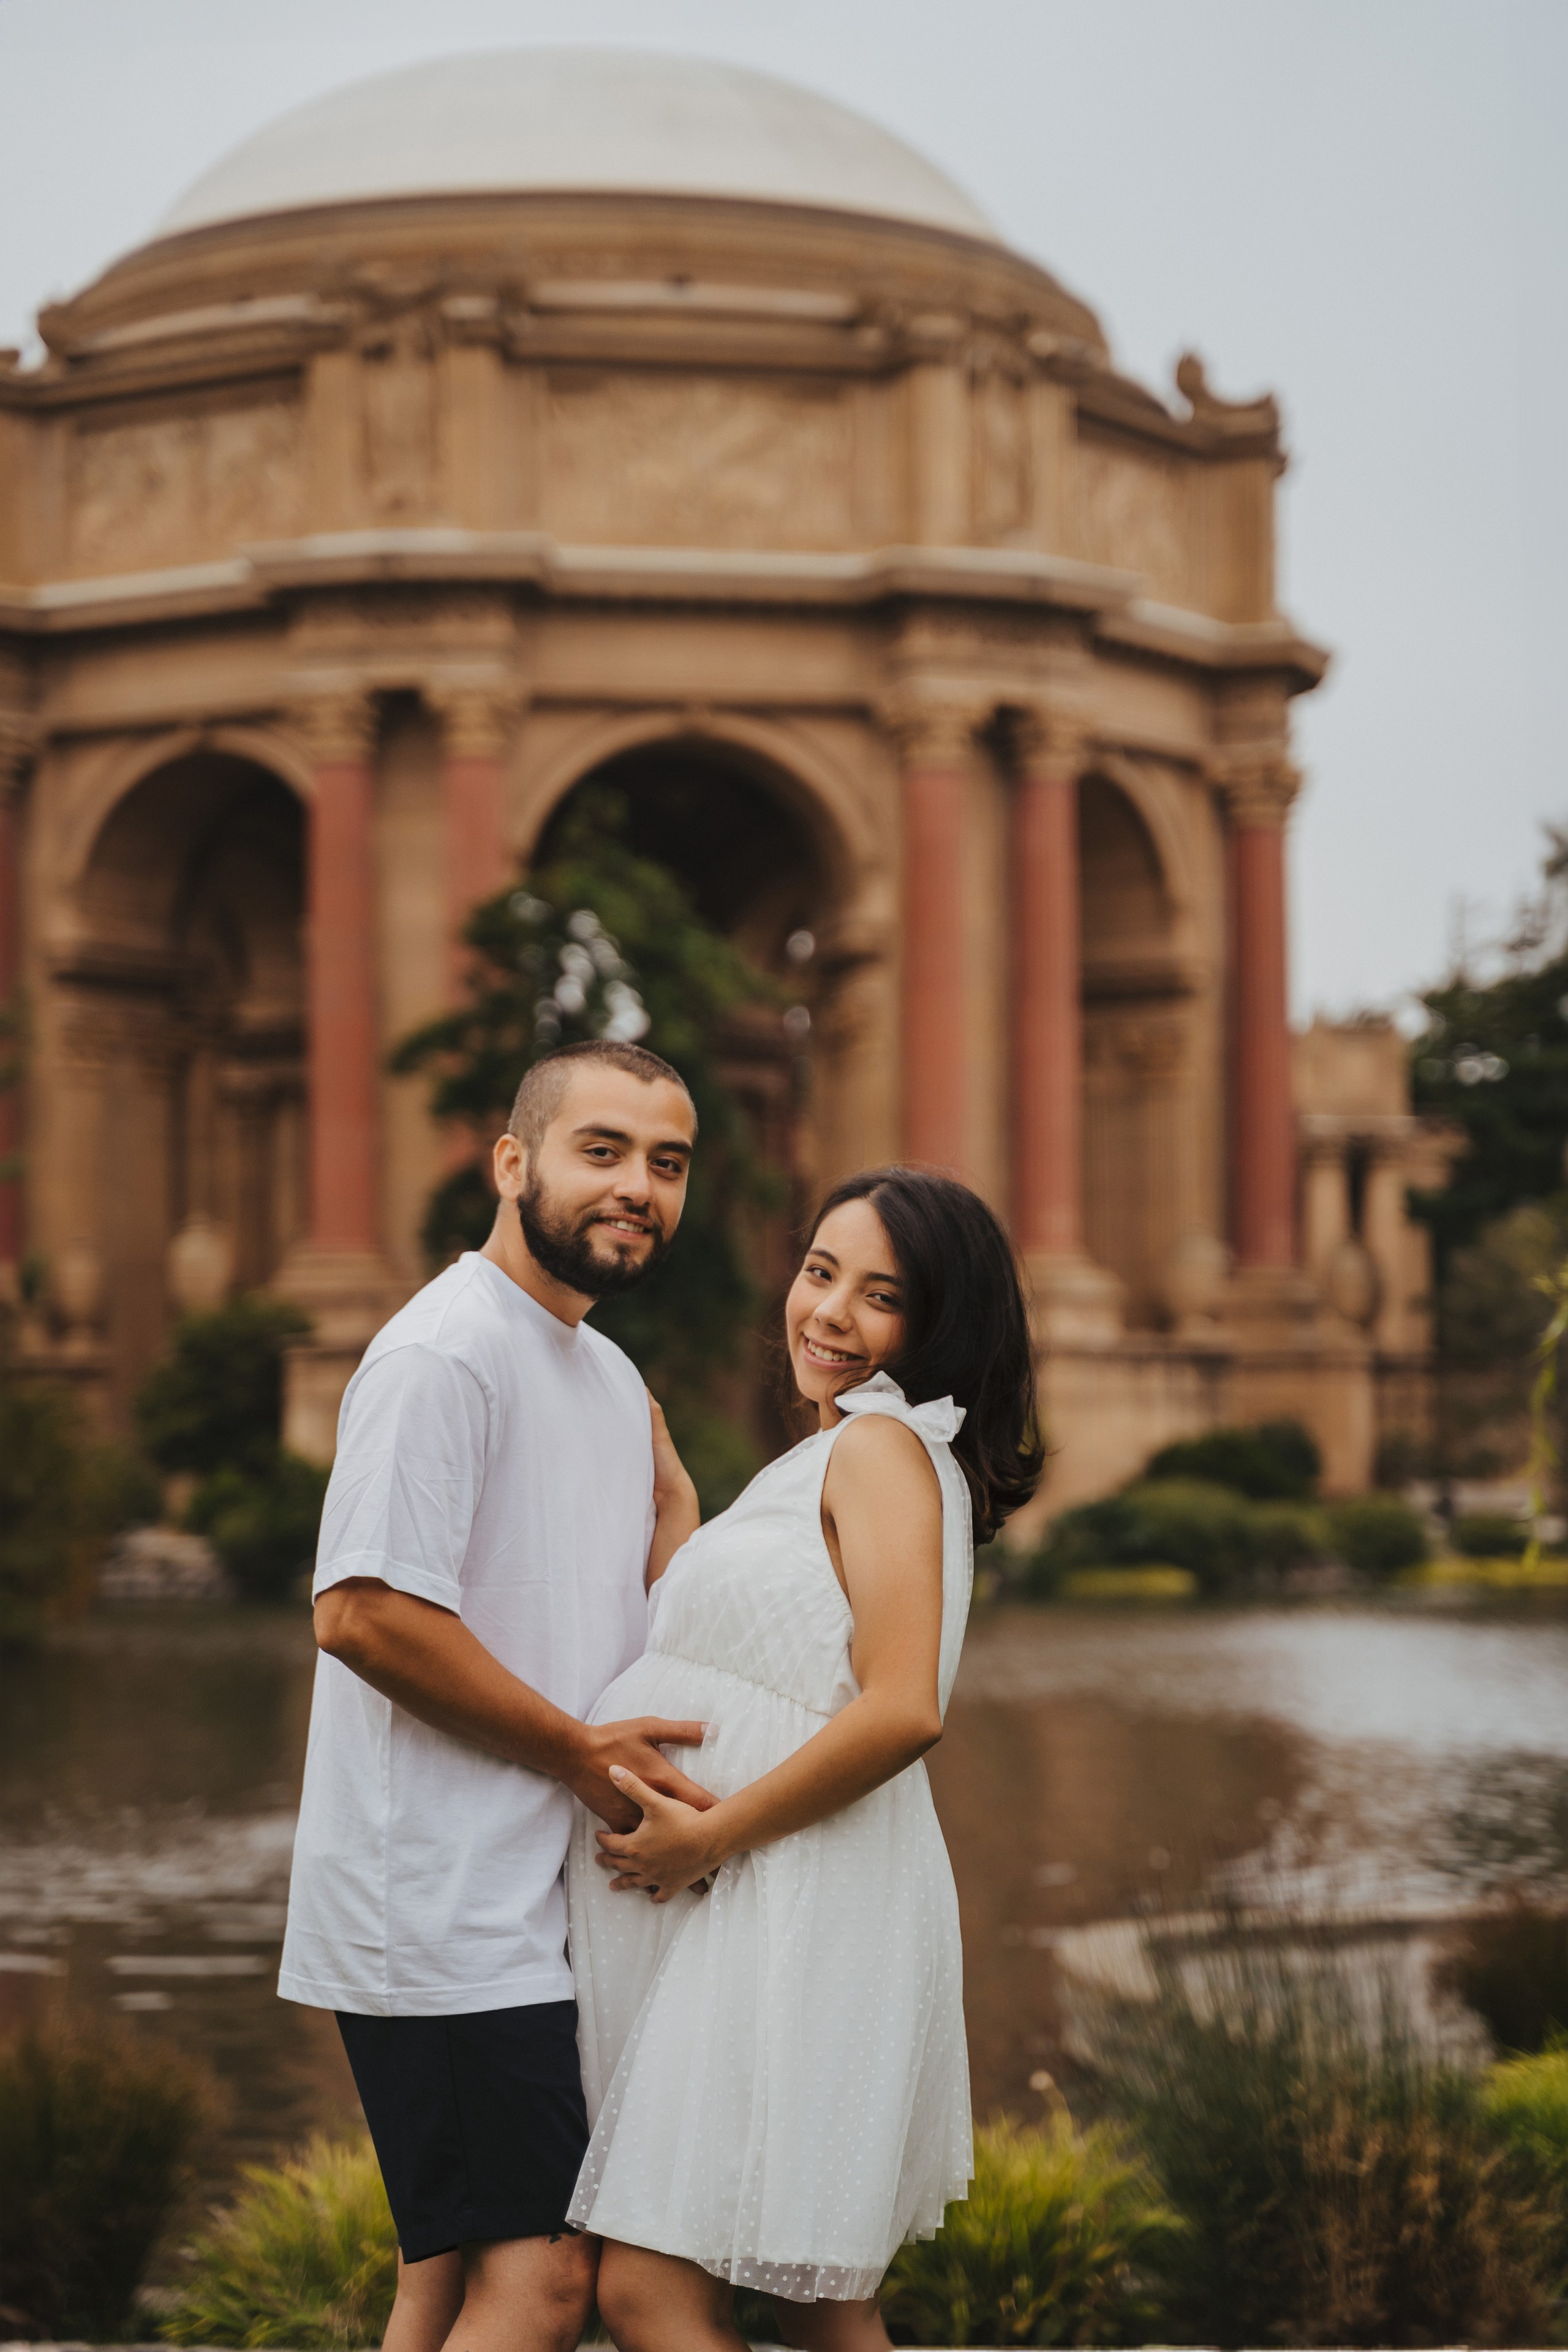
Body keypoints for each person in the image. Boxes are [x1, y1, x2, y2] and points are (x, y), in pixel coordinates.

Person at [277, 1038, 715, 2352]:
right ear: (513, 1163)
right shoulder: (444, 1352)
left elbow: (627, 1612)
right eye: (603, 1151)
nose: (638, 1186)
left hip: (541, 1901)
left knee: (451, 2283)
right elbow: (361, 1613)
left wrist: (684, 1516)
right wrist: (579, 1752)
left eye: (667, 1163)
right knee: (545, 2279)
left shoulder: (606, 1374)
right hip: (440, 1908)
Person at [564, 1164, 1044, 2352]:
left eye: (880, 1296)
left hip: (791, 1899)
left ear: (939, 1326)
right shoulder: (833, 1455)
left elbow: (903, 1708)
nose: (827, 1312)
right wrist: (680, 1511)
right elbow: (752, 1651)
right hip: (770, 1898)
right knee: (821, 2307)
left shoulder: (881, 1448)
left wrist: (706, 1838)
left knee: (649, 2292)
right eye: (820, 1272)